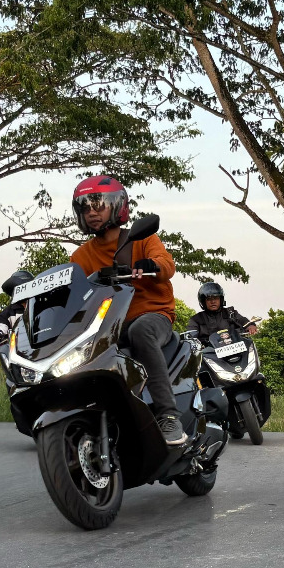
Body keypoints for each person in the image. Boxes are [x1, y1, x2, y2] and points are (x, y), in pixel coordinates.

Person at [66, 175, 187, 446]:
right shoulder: (80, 256)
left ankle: (168, 415)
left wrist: (149, 265)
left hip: (152, 315)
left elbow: (166, 265)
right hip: (109, 325)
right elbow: (73, 292)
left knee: (141, 331)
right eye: (85, 207)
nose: (92, 212)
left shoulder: (141, 239)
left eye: (98, 204)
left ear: (118, 205)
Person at [186, 281, 256, 340]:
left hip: (235, 350)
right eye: (209, 299)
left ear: (221, 299)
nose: (213, 301)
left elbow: (242, 320)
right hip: (209, 353)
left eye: (216, 298)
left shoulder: (230, 313)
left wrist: (250, 325)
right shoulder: (196, 320)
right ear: (203, 302)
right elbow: (190, 336)